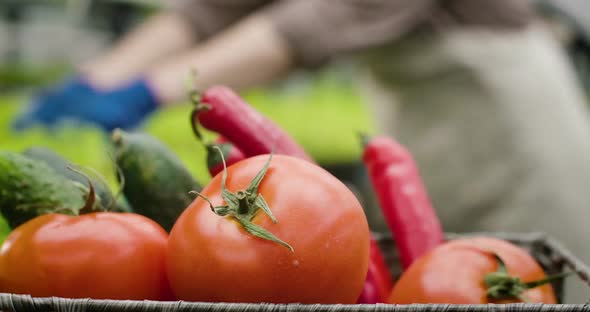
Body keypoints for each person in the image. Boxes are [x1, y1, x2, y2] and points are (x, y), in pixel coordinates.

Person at [11, 0, 590, 302]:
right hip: (426, 122)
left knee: (534, 264)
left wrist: (148, 89)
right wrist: (96, 79)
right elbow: (212, 10)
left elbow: (315, 22)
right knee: (429, 265)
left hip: (508, 116)